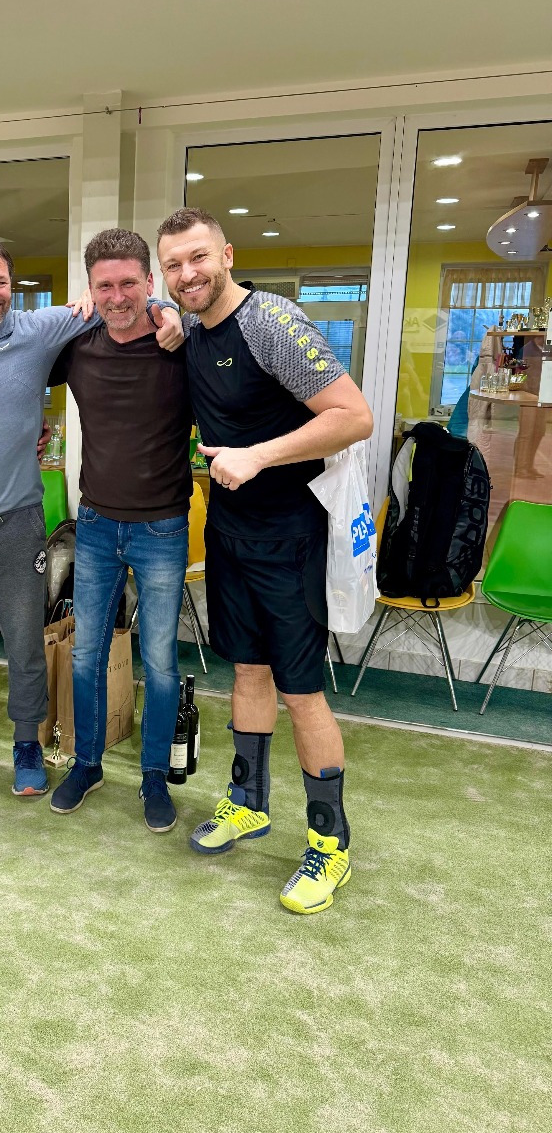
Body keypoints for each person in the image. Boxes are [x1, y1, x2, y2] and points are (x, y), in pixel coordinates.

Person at [156, 207, 373, 914]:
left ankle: (330, 844)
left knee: (301, 690)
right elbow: (165, 315)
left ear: (227, 254)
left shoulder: (272, 323)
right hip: (230, 531)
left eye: (198, 258)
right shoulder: (193, 327)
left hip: (291, 537)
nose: (187, 274)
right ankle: (248, 802)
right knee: (246, 670)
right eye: (173, 265)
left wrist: (258, 455)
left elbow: (354, 416)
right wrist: (160, 316)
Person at [0, 232, 183, 798]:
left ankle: (27, 743)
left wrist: (169, 309)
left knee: (24, 642)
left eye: (2, 282)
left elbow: (122, 304)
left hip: (19, 520)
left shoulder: (39, 328)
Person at [47, 228, 192, 833]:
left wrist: (176, 314)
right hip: (97, 524)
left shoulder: (180, 342)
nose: (117, 296)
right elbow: (7, 346)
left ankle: (154, 775)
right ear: (90, 289)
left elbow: (220, 319)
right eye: (103, 286)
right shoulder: (78, 343)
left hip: (163, 527)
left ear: (149, 282)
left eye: (129, 283)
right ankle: (87, 764)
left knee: (158, 661)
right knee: (86, 653)